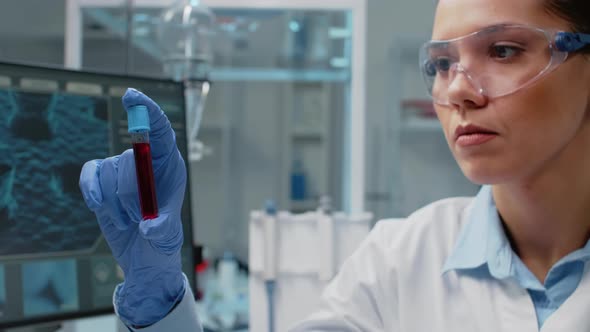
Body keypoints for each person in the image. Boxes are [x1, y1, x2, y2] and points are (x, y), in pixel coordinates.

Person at [79, 0, 590, 330]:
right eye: (440, 64)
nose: (456, 89)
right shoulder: (398, 262)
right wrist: (161, 305)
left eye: (503, 50)